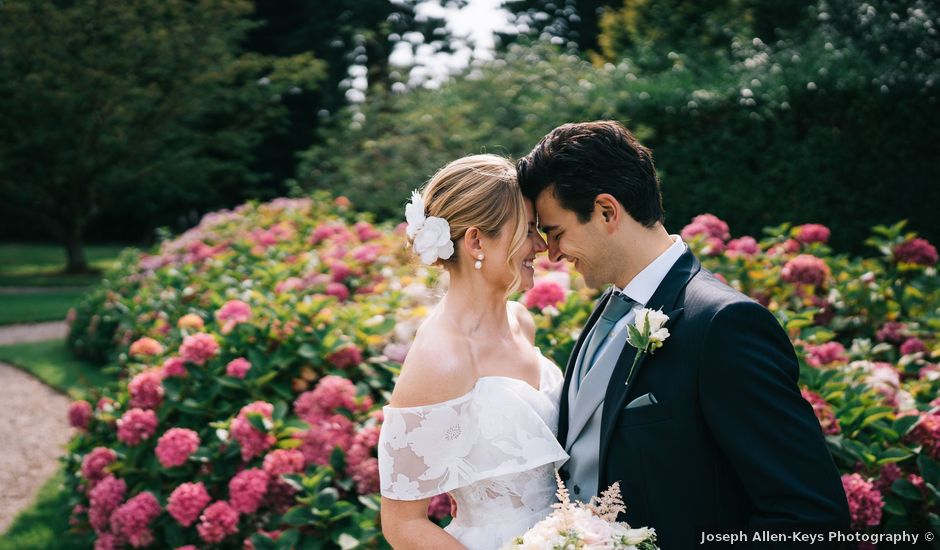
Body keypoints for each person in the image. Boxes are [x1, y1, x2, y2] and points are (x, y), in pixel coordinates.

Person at [515, 121, 851, 548]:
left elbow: (811, 514)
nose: (554, 253)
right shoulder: (608, 311)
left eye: (557, 232)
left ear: (606, 211)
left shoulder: (724, 325)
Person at [378, 155, 568, 549]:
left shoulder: (521, 322)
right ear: (477, 241)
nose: (541, 245)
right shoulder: (442, 357)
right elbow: (401, 523)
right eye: (529, 231)